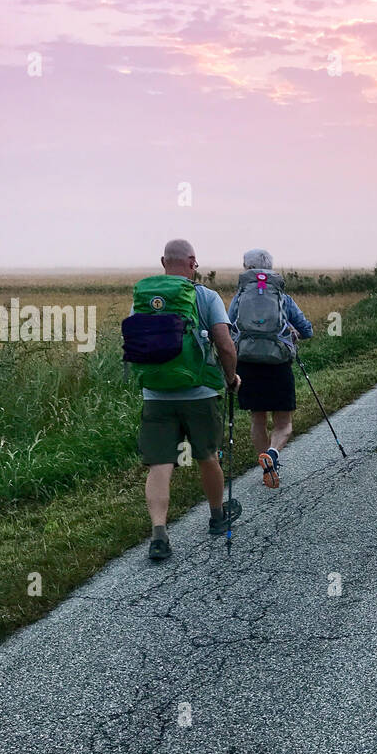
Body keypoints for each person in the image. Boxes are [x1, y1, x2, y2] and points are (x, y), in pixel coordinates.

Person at [134, 239, 242, 561]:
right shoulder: (205, 296)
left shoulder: (145, 298)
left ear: (163, 261)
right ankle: (217, 516)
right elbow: (225, 345)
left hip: (156, 395)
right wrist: (230, 378)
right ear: (193, 262)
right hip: (200, 393)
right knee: (208, 456)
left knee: (160, 464)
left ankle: (159, 534)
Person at [228, 249, 313, 489]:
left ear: (247, 268)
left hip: (247, 364)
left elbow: (227, 325)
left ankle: (267, 466)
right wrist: (292, 333)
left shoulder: (241, 295)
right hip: (278, 364)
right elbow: (307, 330)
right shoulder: (281, 296)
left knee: (258, 419)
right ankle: (273, 455)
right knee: (284, 424)